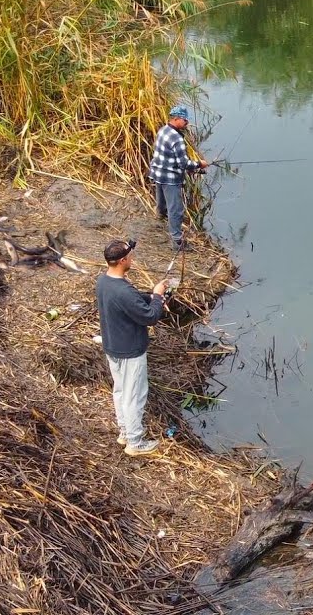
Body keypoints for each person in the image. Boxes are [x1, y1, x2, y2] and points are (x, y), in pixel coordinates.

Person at [96, 239, 170, 456]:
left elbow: (132, 300)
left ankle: (125, 433)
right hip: (130, 352)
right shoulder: (123, 291)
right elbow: (150, 317)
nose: (132, 259)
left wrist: (150, 297)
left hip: (113, 347)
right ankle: (135, 443)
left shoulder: (103, 282)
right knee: (135, 395)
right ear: (122, 260)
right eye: (130, 256)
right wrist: (157, 296)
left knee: (120, 391)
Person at [149, 105, 208, 251]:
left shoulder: (163, 130)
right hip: (170, 178)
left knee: (161, 197)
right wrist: (199, 164)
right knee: (176, 209)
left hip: (158, 172)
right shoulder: (177, 139)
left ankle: (160, 216)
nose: (187, 123)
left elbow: (169, 157)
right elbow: (183, 163)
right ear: (176, 119)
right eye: (185, 120)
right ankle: (177, 242)